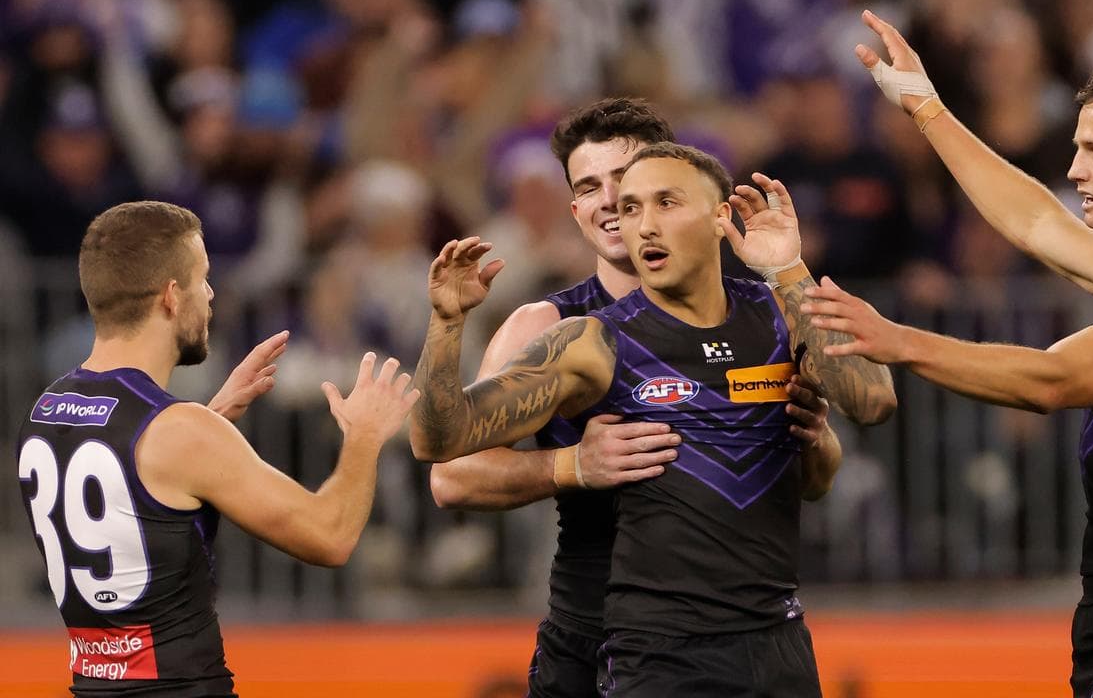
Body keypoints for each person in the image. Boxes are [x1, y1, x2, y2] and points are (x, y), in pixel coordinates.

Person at [802, 10, 1093, 697]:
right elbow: (1035, 220)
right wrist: (925, 106)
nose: (1076, 168)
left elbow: (1057, 378)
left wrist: (901, 341)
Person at [411, 142, 896, 696]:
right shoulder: (593, 341)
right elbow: (439, 440)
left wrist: (789, 268)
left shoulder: (779, 313)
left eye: (666, 203)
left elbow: (873, 402)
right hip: (661, 657)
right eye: (633, 208)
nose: (642, 225)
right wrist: (447, 325)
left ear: (720, 217)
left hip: (779, 644)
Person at [16, 201, 419, 696]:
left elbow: (134, 490)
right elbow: (331, 536)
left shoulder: (46, 410)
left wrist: (210, 418)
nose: (210, 295)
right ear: (170, 296)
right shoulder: (181, 434)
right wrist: (365, 436)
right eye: (202, 279)